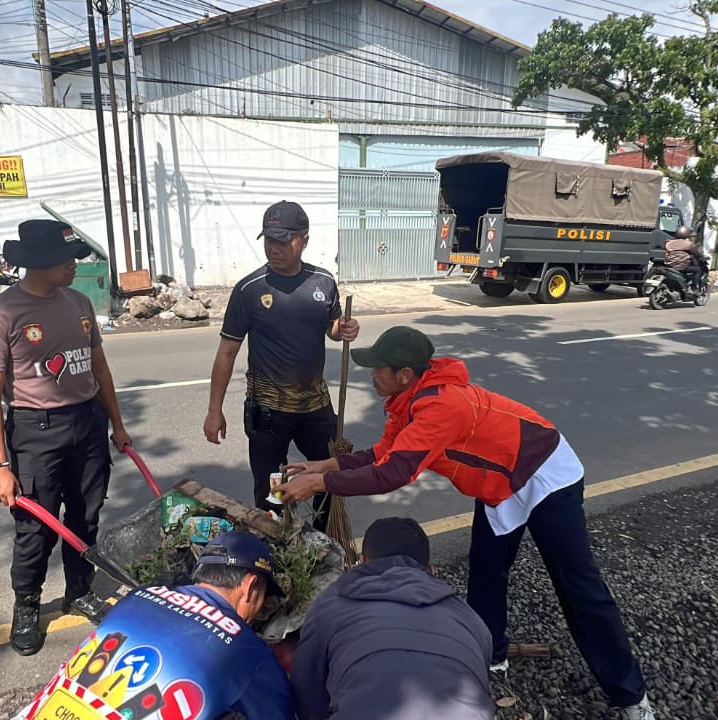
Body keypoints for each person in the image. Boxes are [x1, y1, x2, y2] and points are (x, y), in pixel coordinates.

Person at [279, 326, 657, 720]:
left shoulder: (442, 407)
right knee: (486, 570)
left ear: (405, 374)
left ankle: (631, 696)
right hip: (499, 484)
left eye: (379, 368)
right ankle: (489, 656)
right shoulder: (406, 401)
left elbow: (394, 473)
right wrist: (328, 465)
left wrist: (320, 483)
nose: (372, 374)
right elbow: (386, 453)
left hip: (546, 473)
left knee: (578, 585)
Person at [0, 219, 132, 657]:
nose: (75, 267)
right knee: (36, 530)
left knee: (86, 517)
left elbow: (99, 370)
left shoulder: (79, 302)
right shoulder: (1, 315)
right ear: (39, 263)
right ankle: (26, 606)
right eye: (67, 260)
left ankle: (78, 591)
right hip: (35, 431)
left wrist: (116, 425)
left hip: (88, 424)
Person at [13, 531, 294, 720]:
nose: (257, 613)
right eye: (262, 600)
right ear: (250, 585)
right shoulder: (247, 651)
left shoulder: (140, 596)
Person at [203, 200, 360, 526]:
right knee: (272, 489)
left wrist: (342, 328)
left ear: (303, 239)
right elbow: (227, 352)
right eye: (269, 240)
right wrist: (214, 409)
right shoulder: (249, 289)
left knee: (330, 474)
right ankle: (277, 546)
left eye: (283, 240)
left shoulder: (323, 282)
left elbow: (331, 328)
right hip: (268, 411)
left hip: (315, 407)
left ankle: (322, 542)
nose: (274, 248)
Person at [291, 517, 493, 720]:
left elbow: (307, 691)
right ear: (431, 570)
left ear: (362, 561)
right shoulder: (469, 619)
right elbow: (481, 683)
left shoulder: (330, 605)